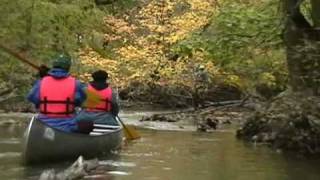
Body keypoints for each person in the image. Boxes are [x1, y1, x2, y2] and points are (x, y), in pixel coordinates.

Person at [27, 54, 86, 132]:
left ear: (54, 65)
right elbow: (82, 101)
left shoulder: (42, 82)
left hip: (44, 124)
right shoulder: (76, 83)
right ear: (68, 67)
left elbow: (32, 97)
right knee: (87, 124)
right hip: (67, 127)